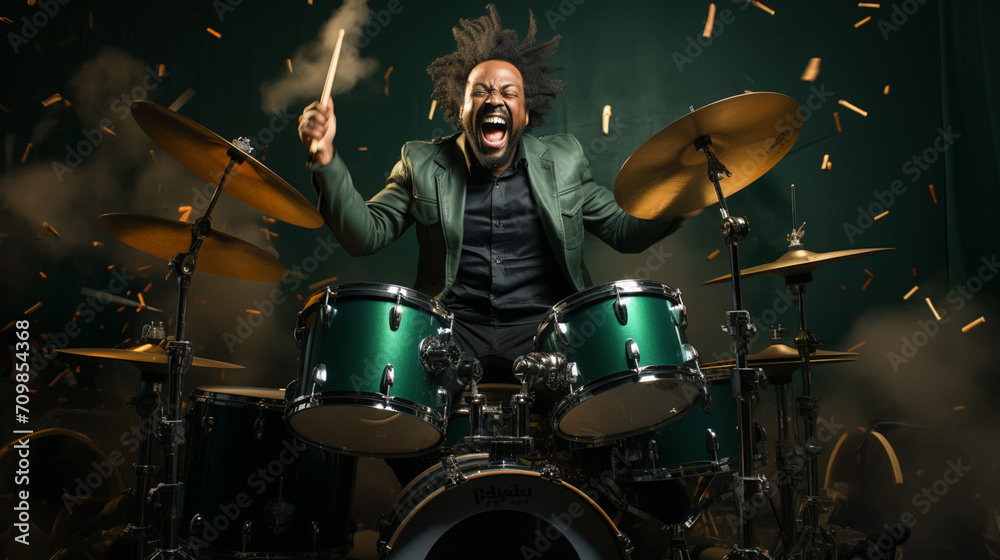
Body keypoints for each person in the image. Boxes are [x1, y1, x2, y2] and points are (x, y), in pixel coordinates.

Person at [297, 5, 693, 384]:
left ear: (524, 112)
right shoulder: (421, 162)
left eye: (509, 91)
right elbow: (364, 235)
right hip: (451, 332)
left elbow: (624, 231)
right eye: (481, 91)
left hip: (546, 331)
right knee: (408, 424)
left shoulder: (565, 160)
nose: (494, 98)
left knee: (594, 422)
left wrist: (685, 197)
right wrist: (327, 159)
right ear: (461, 106)